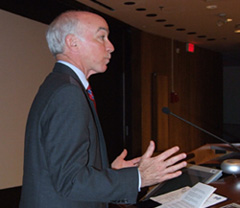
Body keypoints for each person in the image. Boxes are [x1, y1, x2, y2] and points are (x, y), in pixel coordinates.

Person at [19, 10, 187, 208]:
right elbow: (70, 182)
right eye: (101, 37)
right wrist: (139, 178)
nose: (111, 47)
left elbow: (62, 169)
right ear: (72, 42)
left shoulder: (60, 85)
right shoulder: (68, 92)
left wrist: (109, 171)